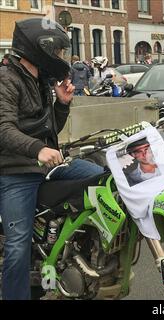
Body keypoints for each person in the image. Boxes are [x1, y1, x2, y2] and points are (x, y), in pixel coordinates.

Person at [0, 18, 104, 300]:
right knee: (17, 245)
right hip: (16, 172)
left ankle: (73, 250)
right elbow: (3, 128)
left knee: (102, 176)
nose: (60, 57)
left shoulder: (41, 80)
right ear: (38, 49)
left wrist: (62, 104)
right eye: (56, 51)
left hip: (49, 166)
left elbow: (50, 130)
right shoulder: (6, 78)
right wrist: (37, 150)